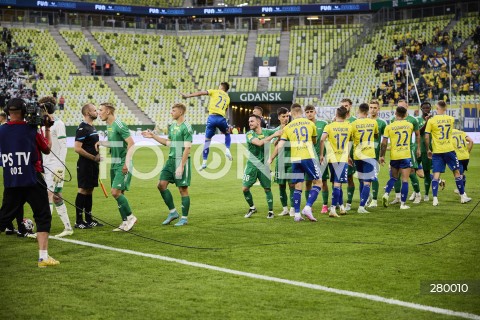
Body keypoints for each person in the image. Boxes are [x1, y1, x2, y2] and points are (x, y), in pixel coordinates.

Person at [0, 98, 59, 267]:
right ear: (24, 112)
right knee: (43, 216)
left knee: (4, 218)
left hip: (12, 180)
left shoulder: (2, 131)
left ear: (7, 112)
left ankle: (44, 257)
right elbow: (47, 149)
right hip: (32, 179)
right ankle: (43, 257)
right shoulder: (31, 129)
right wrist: (47, 128)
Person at [142, 103, 193, 226]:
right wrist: (153, 136)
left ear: (180, 112)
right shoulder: (173, 126)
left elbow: (187, 148)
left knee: (183, 189)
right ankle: (173, 212)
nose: (171, 112)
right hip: (170, 161)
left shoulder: (187, 127)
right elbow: (168, 143)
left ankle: (184, 218)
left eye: (173, 110)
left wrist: (181, 165)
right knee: (161, 185)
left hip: (181, 161)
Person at [269, 104, 320, 222]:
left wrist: (271, 158)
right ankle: (307, 207)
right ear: (302, 112)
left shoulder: (288, 127)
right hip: (308, 157)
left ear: (291, 113)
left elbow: (280, 145)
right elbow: (314, 141)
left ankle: (297, 214)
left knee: (298, 185)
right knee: (318, 182)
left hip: (295, 159)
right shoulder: (310, 123)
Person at [97, 102, 137, 231]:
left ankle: (131, 217)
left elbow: (131, 143)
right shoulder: (109, 126)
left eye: (100, 110)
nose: (98, 113)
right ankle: (125, 222)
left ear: (108, 111)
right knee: (120, 193)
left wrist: (126, 163)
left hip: (122, 163)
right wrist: (101, 143)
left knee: (115, 192)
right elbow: (115, 143)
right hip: (114, 162)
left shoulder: (119, 124)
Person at [38, 96, 73, 238]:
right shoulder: (42, 124)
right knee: (57, 197)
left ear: (46, 108)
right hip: (46, 165)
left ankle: (43, 230)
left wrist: (61, 166)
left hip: (56, 166)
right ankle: (68, 228)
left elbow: (64, 146)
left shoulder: (58, 124)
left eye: (41, 107)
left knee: (49, 196)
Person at [424, 100, 471, 206]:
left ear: (437, 108)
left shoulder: (432, 120)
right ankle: (463, 197)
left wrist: (428, 150)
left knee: (436, 174)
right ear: (445, 109)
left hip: (437, 151)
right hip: (449, 150)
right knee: (457, 172)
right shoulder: (451, 119)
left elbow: (426, 136)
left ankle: (435, 199)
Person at [180, 82, 232, 170]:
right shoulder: (228, 98)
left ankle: (204, 163)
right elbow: (226, 110)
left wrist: (188, 96)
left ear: (221, 87)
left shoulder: (214, 91)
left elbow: (200, 93)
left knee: (207, 141)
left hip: (211, 118)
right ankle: (227, 149)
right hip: (221, 118)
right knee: (227, 134)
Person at [243, 114, 281, 219]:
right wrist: (274, 136)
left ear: (258, 122)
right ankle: (252, 207)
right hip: (252, 165)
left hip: (264, 166)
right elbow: (259, 143)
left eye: (252, 121)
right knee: (245, 188)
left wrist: (283, 123)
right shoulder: (249, 134)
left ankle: (271, 211)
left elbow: (280, 130)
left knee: (267, 189)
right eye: (249, 121)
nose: (249, 123)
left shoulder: (266, 132)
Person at [320, 106, 353, 217]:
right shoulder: (349, 126)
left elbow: (322, 139)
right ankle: (333, 209)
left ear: (336, 114)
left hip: (331, 159)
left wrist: (321, 154)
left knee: (336, 184)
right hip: (342, 159)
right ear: (346, 115)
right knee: (338, 184)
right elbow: (349, 142)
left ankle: (342, 207)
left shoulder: (329, 126)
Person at [74, 103, 103, 229]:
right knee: (83, 190)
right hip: (85, 164)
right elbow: (77, 148)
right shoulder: (82, 128)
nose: (97, 112)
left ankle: (89, 218)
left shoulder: (92, 127)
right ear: (87, 113)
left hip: (93, 164)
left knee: (90, 189)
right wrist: (93, 157)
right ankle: (79, 221)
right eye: (94, 110)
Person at [380, 106, 413, 210]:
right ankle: (403, 204)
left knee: (394, 178)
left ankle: (386, 193)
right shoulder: (409, 125)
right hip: (406, 155)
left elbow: (384, 143)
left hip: (394, 156)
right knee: (405, 180)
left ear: (395, 113)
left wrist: (382, 156)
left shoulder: (389, 127)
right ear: (405, 114)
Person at [389, 99, 421, 204]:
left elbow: (417, 135)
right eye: (399, 106)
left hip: (409, 149)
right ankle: (398, 197)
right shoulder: (392, 120)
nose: (401, 108)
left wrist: (418, 148)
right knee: (395, 174)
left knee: (411, 173)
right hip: (396, 151)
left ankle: (418, 194)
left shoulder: (413, 120)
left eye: (402, 106)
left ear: (407, 106)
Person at [350, 103, 379, 213]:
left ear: (359, 111)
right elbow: (376, 135)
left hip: (357, 155)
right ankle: (361, 207)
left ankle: (364, 202)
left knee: (362, 180)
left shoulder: (353, 124)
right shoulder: (373, 122)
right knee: (367, 182)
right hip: (369, 155)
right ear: (367, 112)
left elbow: (351, 138)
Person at [304, 105, 330, 214]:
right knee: (308, 183)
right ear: (305, 114)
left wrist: (322, 154)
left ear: (315, 112)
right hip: (307, 157)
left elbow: (325, 139)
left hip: (321, 157)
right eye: (307, 112)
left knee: (323, 181)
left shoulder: (323, 124)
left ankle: (324, 205)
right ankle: (309, 205)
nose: (309, 114)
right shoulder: (303, 125)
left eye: (311, 111)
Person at [273, 107, 295, 217]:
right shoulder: (276, 130)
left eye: (287, 116)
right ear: (279, 117)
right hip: (280, 161)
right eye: (283, 116)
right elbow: (274, 145)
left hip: (291, 160)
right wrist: (279, 137)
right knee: (281, 185)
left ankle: (292, 209)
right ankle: (285, 208)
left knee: (292, 185)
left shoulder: (292, 128)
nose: (286, 118)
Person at [367, 99, 387, 208]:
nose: (373, 110)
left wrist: (382, 155)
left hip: (374, 153)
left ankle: (374, 200)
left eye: (375, 107)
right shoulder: (364, 121)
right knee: (363, 177)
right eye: (371, 107)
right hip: (363, 153)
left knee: (373, 176)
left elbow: (384, 140)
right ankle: (367, 197)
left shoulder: (382, 123)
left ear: (378, 109)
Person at [340, 98, 357, 211]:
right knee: (339, 180)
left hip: (353, 152)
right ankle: (339, 202)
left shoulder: (354, 121)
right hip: (340, 153)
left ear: (350, 106)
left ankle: (349, 203)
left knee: (352, 178)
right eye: (343, 106)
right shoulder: (337, 120)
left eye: (346, 105)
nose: (345, 108)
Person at [451, 128, 473, 196]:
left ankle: (463, 193)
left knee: (458, 174)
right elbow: (471, 141)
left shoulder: (449, 133)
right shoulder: (462, 132)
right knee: (462, 173)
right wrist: (468, 151)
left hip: (458, 156)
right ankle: (461, 189)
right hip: (466, 156)